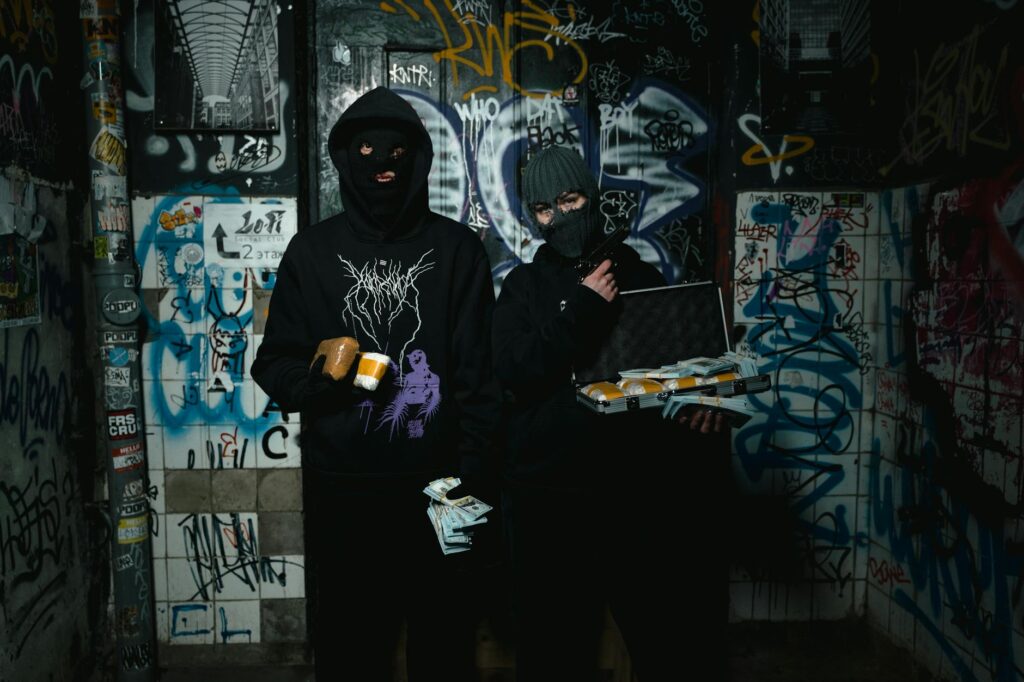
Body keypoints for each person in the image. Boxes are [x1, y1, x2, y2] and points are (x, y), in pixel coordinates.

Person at [251, 86, 500, 681]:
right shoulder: (311, 252)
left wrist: (476, 487)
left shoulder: (458, 250)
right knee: (350, 649)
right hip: (344, 494)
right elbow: (273, 364)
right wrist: (324, 384)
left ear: (418, 159)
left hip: (440, 491)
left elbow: (480, 382)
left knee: (444, 649)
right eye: (365, 150)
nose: (382, 164)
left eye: (396, 151)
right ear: (343, 159)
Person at [491, 146, 727, 681]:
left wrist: (705, 401)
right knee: (553, 648)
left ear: (589, 198)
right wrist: (580, 310)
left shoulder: (640, 277)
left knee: (662, 641)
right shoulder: (523, 289)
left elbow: (677, 375)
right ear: (533, 217)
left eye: (570, 200)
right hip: (547, 499)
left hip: (631, 492)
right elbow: (512, 370)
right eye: (546, 210)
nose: (560, 217)